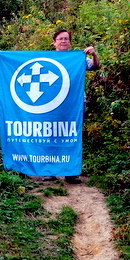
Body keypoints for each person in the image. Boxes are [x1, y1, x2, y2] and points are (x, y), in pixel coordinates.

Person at [51, 29, 99, 183]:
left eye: (66, 38)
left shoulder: (77, 58)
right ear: (54, 42)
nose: (64, 41)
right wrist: (1, 55)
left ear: (70, 42)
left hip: (75, 104)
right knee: (49, 135)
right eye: (60, 38)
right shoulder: (47, 58)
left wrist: (94, 54)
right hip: (52, 105)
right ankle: (49, 170)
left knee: (71, 136)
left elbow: (94, 66)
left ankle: (70, 172)